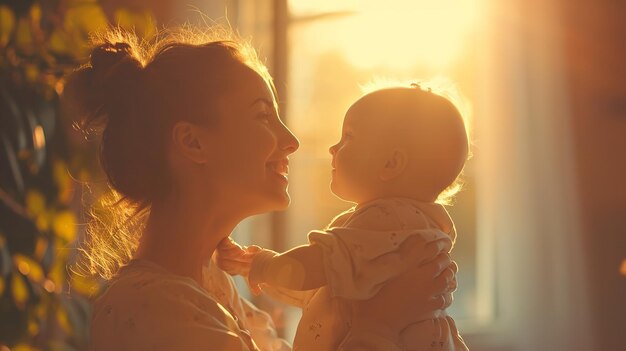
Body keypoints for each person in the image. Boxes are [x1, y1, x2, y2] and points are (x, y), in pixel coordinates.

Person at [64, 26, 458, 351]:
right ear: (193, 143)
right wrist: (382, 324)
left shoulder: (214, 286)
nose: (291, 141)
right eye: (262, 115)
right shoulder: (150, 311)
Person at [216, 86, 470, 351]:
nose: (332, 148)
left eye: (348, 136)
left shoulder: (382, 220)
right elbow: (327, 289)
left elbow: (315, 267)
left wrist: (263, 265)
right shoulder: (419, 227)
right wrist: (257, 268)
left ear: (391, 164)